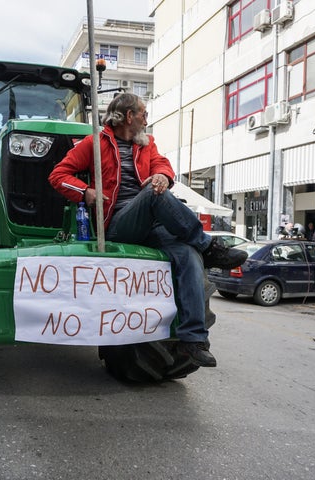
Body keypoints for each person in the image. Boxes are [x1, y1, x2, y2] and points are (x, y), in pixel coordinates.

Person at [48, 93, 247, 367]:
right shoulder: (95, 144)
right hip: (119, 223)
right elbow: (58, 175)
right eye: (143, 113)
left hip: (152, 224)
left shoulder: (147, 144)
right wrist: (86, 192)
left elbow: (162, 166)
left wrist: (163, 175)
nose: (146, 119)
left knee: (189, 255)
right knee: (153, 194)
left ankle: (193, 339)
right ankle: (209, 246)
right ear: (129, 116)